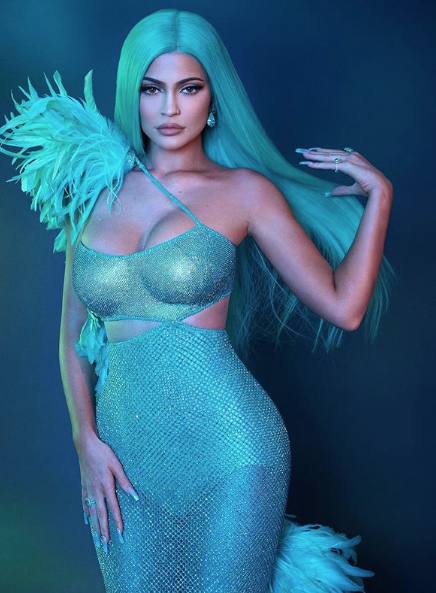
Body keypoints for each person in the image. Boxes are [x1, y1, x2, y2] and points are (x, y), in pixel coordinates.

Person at [0, 8, 394, 593]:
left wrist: (380, 197)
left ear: (213, 100)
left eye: (188, 88)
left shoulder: (244, 193)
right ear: (132, 95)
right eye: (152, 89)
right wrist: (86, 441)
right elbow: (70, 339)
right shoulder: (89, 192)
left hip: (231, 448)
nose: (170, 109)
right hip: (124, 456)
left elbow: (345, 307)